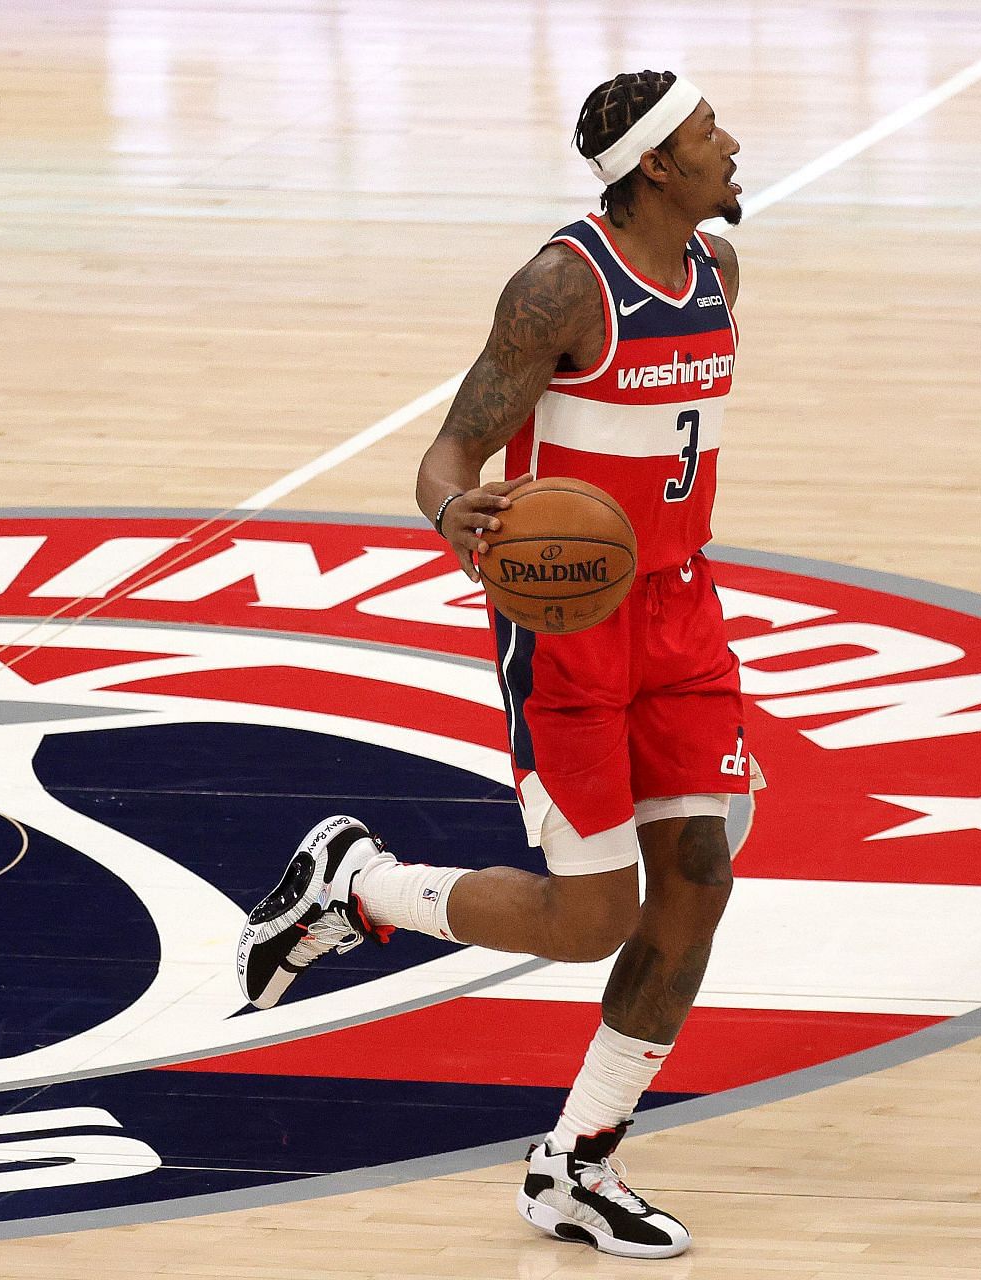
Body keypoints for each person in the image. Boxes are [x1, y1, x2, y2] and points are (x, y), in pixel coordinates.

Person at [236, 69, 748, 1260]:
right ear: (657, 168)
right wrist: (456, 509)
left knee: (700, 873)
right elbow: (449, 449)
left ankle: (578, 1160)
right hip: (571, 628)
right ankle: (359, 887)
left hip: (679, 605)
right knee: (591, 918)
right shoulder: (562, 285)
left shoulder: (721, 274)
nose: (734, 147)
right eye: (710, 132)